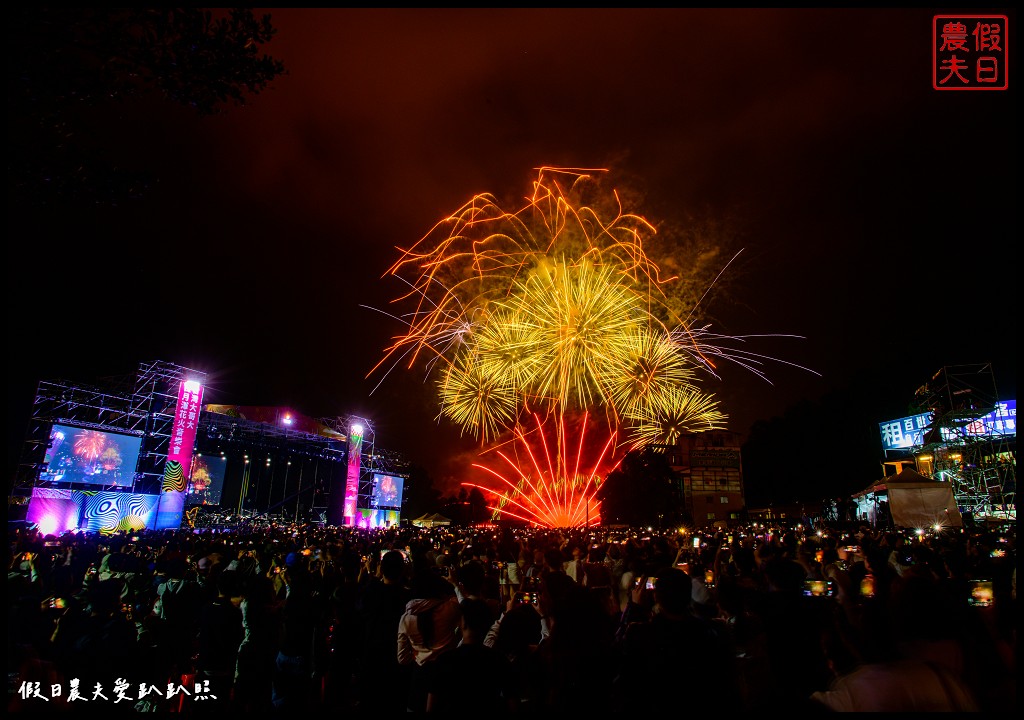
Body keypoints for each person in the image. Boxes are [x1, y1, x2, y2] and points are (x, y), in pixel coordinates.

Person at [425, 597, 517, 713]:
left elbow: (431, 707)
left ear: (463, 624)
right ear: (487, 625)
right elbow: (513, 704)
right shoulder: (499, 661)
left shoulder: (444, 661)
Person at [398, 568, 462, 712]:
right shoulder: (450, 608)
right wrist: (455, 584)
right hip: (447, 673)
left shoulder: (407, 618)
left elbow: (402, 658)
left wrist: (417, 653)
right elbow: (465, 605)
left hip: (420, 677)